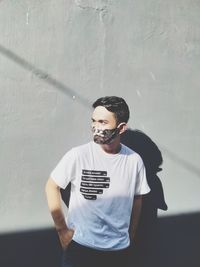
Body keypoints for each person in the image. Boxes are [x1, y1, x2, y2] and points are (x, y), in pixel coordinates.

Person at [45, 96, 150, 267]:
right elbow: (52, 186)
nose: (96, 127)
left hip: (118, 253)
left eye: (103, 122)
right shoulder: (78, 155)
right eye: (94, 121)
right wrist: (62, 231)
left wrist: (130, 235)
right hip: (81, 250)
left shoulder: (134, 160)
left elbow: (137, 198)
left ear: (121, 128)